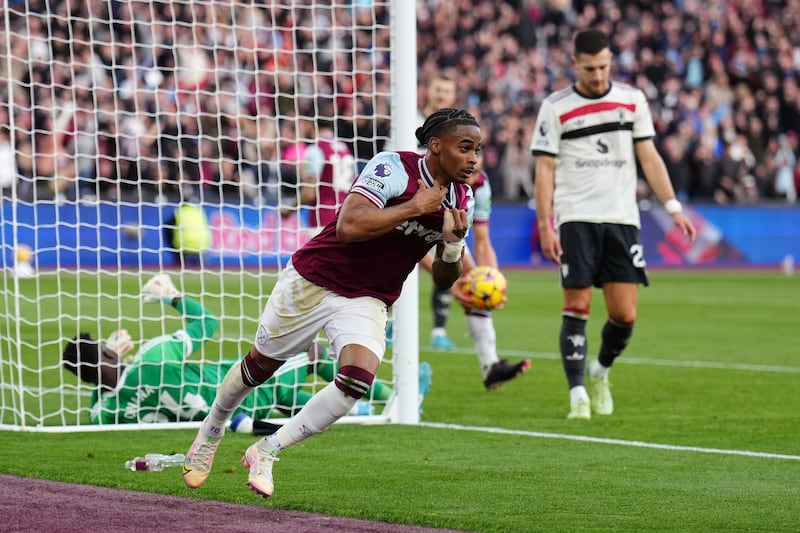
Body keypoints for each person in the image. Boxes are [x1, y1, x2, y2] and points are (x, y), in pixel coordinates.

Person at [182, 108, 479, 498]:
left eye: (477, 149)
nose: (473, 158)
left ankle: (268, 449)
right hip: (315, 279)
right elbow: (349, 226)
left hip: (368, 297)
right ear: (436, 146)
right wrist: (413, 208)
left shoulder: (463, 199)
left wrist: (454, 245)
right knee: (260, 367)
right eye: (465, 147)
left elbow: (443, 280)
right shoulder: (393, 168)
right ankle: (212, 429)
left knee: (357, 381)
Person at [530, 29, 697, 420]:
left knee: (625, 315)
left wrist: (672, 206)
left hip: (622, 218)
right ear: (575, 64)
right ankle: (577, 396)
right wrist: (545, 223)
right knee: (577, 306)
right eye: (590, 68)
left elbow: (650, 158)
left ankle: (600, 371)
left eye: (604, 66)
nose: (598, 74)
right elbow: (544, 169)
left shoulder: (631, 99)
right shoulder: (555, 107)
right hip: (576, 217)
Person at [62, 274, 428, 426]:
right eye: (107, 350)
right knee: (312, 353)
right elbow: (207, 323)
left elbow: (101, 399)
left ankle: (363, 410)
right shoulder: (152, 358)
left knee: (290, 397)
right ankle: (396, 397)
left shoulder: (104, 414)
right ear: (109, 356)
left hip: (226, 415)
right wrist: (172, 296)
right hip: (242, 384)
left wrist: (105, 370)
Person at [420, 152, 531, 390]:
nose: (471, 178)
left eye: (476, 172)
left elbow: (482, 241)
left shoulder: (480, 187)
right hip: (406, 232)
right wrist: (448, 279)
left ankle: (490, 367)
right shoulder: (429, 180)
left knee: (475, 283)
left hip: (447, 230)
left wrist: (492, 279)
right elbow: (409, 243)